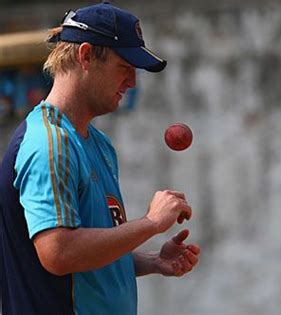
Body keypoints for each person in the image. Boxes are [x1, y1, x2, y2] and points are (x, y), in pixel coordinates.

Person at [0, 3, 200, 315]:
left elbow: (87, 257)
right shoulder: (48, 145)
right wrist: (151, 223)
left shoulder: (98, 145)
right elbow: (59, 252)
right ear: (86, 56)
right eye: (125, 67)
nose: (132, 82)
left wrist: (152, 261)